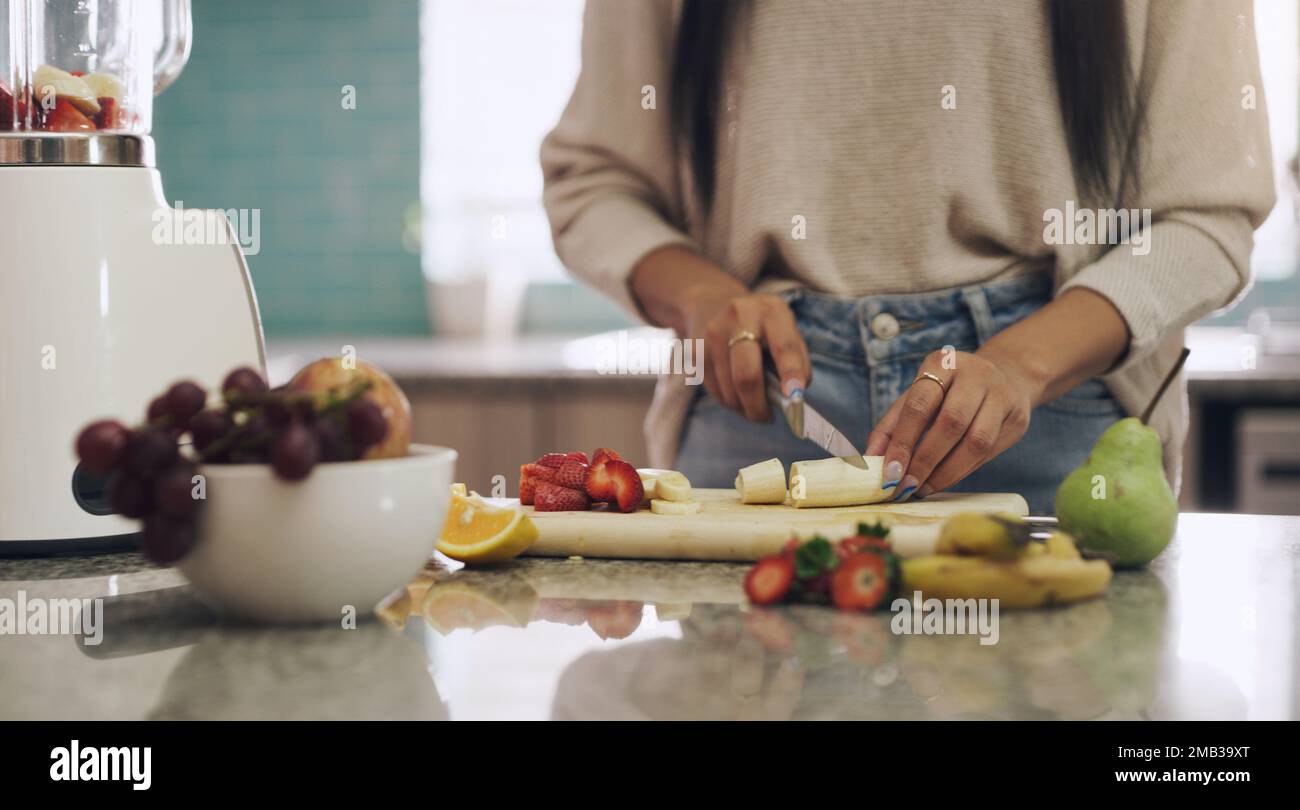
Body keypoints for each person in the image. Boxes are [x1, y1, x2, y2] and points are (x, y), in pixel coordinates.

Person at [541, 0, 1274, 513]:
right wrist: (700, 297)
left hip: (1057, 417)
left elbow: (1206, 214)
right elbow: (595, 180)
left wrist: (1023, 363)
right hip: (757, 412)